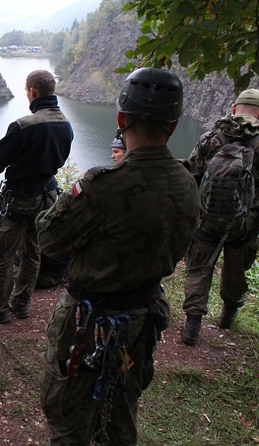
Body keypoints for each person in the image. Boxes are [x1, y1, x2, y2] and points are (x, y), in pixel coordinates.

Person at [36, 68, 200, 444]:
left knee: (67, 414)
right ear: (173, 125)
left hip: (87, 320)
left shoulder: (102, 186)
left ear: (122, 118)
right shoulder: (186, 183)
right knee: (122, 408)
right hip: (142, 316)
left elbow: (49, 240)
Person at [0, 69, 74, 323]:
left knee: (2, 254)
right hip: (48, 195)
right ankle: (21, 304)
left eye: (26, 90)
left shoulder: (25, 126)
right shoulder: (66, 125)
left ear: (32, 92)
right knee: (33, 252)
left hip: (20, 199)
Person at [182, 89, 259, 345]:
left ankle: (192, 327)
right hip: (244, 224)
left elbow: (194, 174)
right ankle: (227, 318)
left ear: (235, 108)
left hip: (206, 220)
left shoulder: (211, 138)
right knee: (236, 272)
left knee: (198, 270)